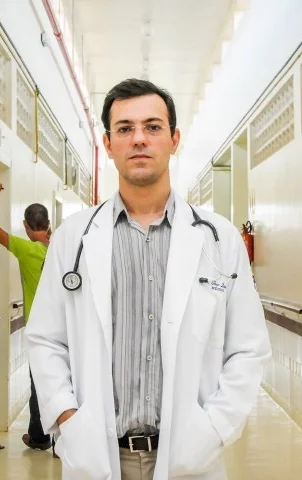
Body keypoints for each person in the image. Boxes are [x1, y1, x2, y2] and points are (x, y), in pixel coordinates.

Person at [25, 78, 271, 479]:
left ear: (174, 139)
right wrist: (69, 419)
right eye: (125, 128)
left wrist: (214, 428)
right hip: (98, 454)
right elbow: (45, 339)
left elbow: (248, 348)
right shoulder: (73, 238)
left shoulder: (219, 239)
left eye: (152, 127)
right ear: (108, 144)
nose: (139, 138)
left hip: (189, 456)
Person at [0, 181, 53, 452]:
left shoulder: (27, 250)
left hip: (40, 329)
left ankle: (39, 436)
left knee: (40, 383)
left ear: (26, 226)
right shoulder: (60, 249)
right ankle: (61, 440)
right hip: (66, 329)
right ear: (48, 224)